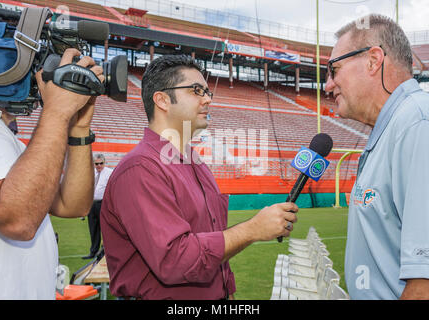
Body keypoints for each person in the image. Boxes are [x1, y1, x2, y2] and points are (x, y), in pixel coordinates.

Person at [100, 54, 298, 300]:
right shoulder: (140, 169)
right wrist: (252, 229)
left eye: (207, 92)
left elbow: (213, 250)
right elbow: (176, 261)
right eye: (196, 90)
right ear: (162, 100)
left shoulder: (196, 164)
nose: (207, 99)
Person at [325, 14, 429, 299]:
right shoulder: (396, 125)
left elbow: (428, 284)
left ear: (374, 60)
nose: (328, 85)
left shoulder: (419, 124)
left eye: (334, 69)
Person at [0, 48, 104, 299]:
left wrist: (79, 127)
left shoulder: (7, 138)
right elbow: (16, 221)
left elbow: (71, 205)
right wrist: (56, 111)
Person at [83, 154, 113, 259]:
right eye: (97, 163)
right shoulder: (91, 173)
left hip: (103, 204)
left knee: (105, 229)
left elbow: (112, 189)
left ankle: (105, 252)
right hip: (92, 204)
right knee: (93, 229)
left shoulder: (110, 173)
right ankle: (93, 252)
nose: (99, 165)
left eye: (101, 163)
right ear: (94, 164)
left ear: (104, 163)